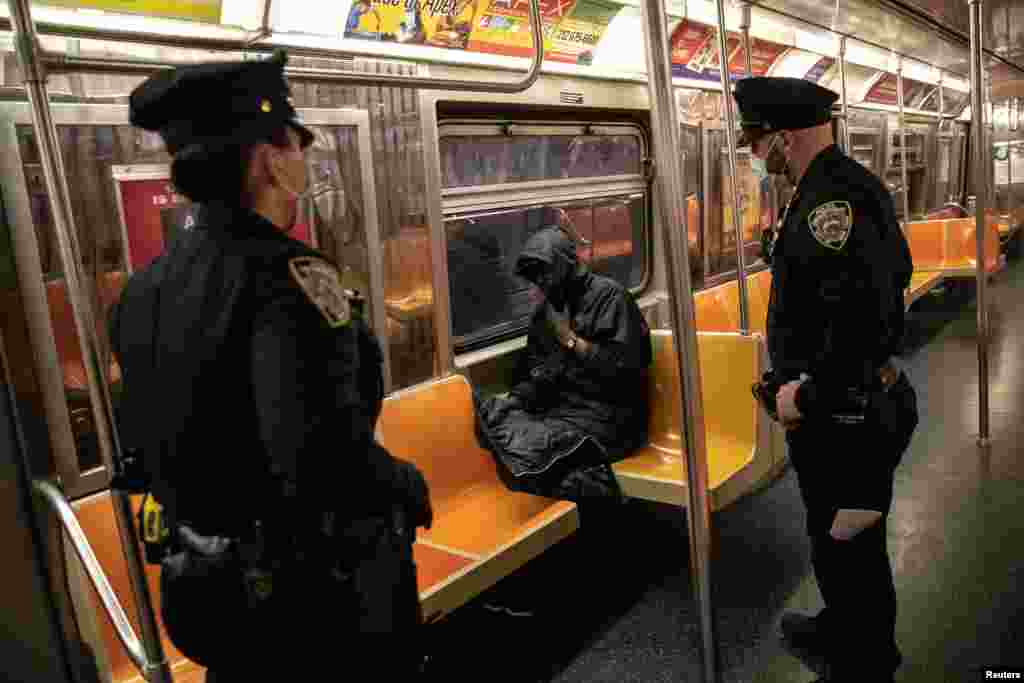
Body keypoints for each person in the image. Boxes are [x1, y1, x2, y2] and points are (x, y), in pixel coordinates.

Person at [108, 51, 432, 679]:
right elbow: (319, 457)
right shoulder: (289, 280)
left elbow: (142, 443)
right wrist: (403, 482)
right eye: (296, 142)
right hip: (309, 603)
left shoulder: (140, 291)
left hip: (202, 591)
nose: (302, 158)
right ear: (267, 158)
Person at [735, 76, 919, 683]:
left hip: (848, 408)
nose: (757, 158)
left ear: (784, 139)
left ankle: (867, 662)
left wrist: (807, 392)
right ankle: (841, 628)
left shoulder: (835, 202)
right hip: (830, 406)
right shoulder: (819, 191)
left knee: (851, 544)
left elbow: (869, 319)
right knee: (828, 534)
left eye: (758, 144)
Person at [474, 216, 652, 502]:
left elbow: (626, 370)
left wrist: (570, 340)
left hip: (611, 416)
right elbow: (541, 375)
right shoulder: (547, 311)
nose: (540, 282)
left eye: (545, 272)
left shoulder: (610, 297)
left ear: (566, 264)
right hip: (564, 411)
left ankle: (593, 487)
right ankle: (576, 478)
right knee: (492, 416)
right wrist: (514, 401)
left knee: (534, 441)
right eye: (535, 276)